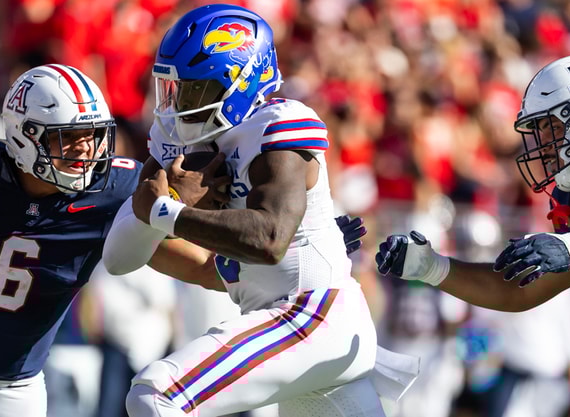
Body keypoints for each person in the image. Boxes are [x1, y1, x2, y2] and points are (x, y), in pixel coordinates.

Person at [0, 61, 366, 416]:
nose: (85, 151)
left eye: (91, 135)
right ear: (24, 135)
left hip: (15, 388)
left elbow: (204, 270)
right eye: (67, 139)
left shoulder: (115, 190)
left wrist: (303, 244)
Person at [102, 4, 419, 417]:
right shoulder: (183, 146)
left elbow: (269, 239)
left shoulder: (276, 125)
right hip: (294, 325)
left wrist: (167, 213)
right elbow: (119, 258)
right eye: (173, 89)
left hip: (311, 317)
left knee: (156, 394)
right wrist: (166, 208)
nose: (177, 104)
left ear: (239, 82)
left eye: (194, 90)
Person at [374, 53, 570, 313]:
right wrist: (432, 268)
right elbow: (519, 291)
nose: (544, 142)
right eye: (539, 129)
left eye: (553, 125)